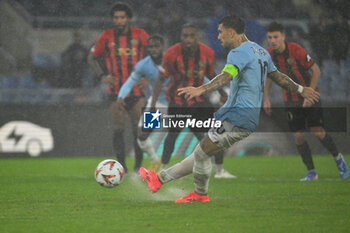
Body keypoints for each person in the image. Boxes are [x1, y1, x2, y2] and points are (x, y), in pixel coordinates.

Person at [139, 15, 320, 203]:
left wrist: (200, 89)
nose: (218, 37)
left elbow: (227, 76)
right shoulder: (260, 51)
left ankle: (186, 189)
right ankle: (167, 182)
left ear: (231, 32)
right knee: (201, 152)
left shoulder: (238, 53)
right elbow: (279, 77)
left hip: (238, 116)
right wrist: (301, 89)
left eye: (220, 32)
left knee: (201, 153)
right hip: (244, 116)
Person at [263, 22, 348, 181]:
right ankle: (311, 172)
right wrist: (266, 98)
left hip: (310, 95)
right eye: (270, 37)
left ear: (283, 37)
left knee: (318, 132)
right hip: (291, 100)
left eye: (276, 37)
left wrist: (309, 94)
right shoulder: (268, 55)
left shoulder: (296, 50)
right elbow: (270, 76)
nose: (272, 40)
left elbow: (316, 70)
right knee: (298, 136)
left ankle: (338, 159)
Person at [149, 24, 236, 179]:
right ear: (181, 37)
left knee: (214, 134)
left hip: (200, 101)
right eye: (185, 36)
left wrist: (222, 93)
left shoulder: (207, 53)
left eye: (191, 36)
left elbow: (210, 73)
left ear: (197, 37)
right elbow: (161, 79)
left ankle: (220, 171)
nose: (188, 39)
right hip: (178, 102)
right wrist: (153, 104)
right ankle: (162, 169)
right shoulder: (171, 54)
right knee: (172, 135)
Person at [87, 2, 149, 175]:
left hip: (136, 91)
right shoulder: (106, 37)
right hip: (115, 91)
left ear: (128, 18)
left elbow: (156, 55)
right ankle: (122, 167)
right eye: (116, 18)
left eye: (122, 17)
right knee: (118, 128)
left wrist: (148, 77)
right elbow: (91, 58)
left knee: (138, 128)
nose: (119, 20)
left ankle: (138, 167)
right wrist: (102, 76)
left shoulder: (140, 35)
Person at [116, 35, 168, 171]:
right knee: (141, 135)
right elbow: (130, 82)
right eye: (151, 46)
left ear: (162, 47)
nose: (154, 49)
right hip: (157, 103)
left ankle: (217, 168)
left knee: (199, 133)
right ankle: (155, 160)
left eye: (157, 46)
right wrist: (120, 97)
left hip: (178, 102)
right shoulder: (143, 65)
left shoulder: (172, 60)